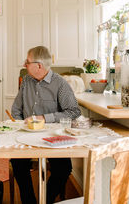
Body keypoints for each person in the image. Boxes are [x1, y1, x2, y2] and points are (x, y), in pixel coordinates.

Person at [11, 46, 81, 204]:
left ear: (39, 65)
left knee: (64, 169)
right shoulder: (27, 81)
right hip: (26, 134)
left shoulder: (60, 84)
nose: (24, 65)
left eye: (27, 62)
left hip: (53, 136)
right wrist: (19, 126)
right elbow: (16, 109)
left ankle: (47, 199)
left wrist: (45, 118)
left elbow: (73, 112)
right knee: (17, 164)